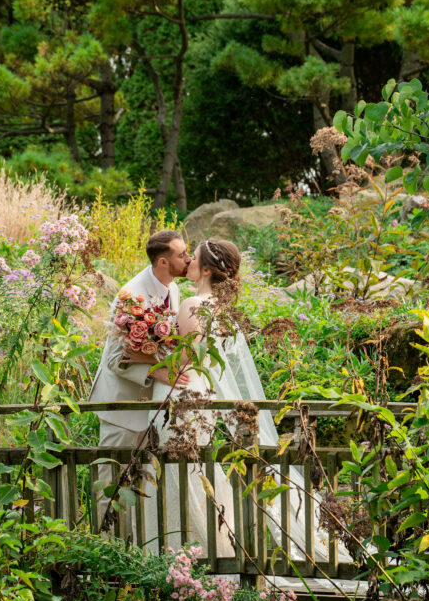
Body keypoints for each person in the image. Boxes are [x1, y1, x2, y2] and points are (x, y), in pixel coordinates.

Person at [142, 238, 333, 566]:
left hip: (182, 396)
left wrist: (145, 353)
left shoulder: (192, 305)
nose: (187, 261)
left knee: (179, 476)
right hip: (199, 397)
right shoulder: (220, 309)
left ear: (204, 269)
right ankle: (209, 556)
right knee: (193, 476)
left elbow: (187, 360)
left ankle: (184, 559)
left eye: (193, 258)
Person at [88, 230, 191, 526]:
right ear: (163, 261)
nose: (188, 258)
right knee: (111, 486)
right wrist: (156, 372)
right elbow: (113, 360)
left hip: (150, 409)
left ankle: (132, 552)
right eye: (181, 255)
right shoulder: (131, 296)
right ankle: (105, 551)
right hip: (122, 408)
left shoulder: (173, 289)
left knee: (139, 487)